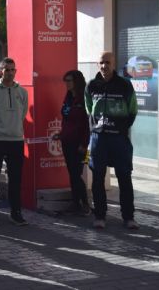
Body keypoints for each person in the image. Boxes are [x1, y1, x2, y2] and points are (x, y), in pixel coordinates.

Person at [85, 52, 138, 230]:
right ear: (97, 64)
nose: (104, 66)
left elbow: (132, 110)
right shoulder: (92, 85)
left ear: (114, 64)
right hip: (99, 139)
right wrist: (97, 129)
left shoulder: (125, 85)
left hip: (119, 139)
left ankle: (129, 217)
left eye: (107, 62)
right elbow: (89, 109)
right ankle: (100, 216)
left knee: (124, 177)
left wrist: (121, 127)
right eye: (101, 62)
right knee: (98, 178)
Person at [0, 57, 29, 227]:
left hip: (16, 140)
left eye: (12, 69)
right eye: (6, 69)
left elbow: (23, 113)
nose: (9, 73)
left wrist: (13, 128)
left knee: (15, 179)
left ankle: (16, 213)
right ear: (0, 71)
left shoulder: (22, 92)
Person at [54, 70, 92, 216]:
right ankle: (75, 203)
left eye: (69, 80)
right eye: (65, 81)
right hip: (67, 142)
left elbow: (88, 124)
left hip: (82, 145)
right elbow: (66, 120)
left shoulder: (84, 98)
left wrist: (84, 144)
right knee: (72, 173)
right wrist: (61, 134)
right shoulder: (68, 97)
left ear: (76, 81)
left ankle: (86, 204)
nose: (66, 84)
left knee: (77, 174)